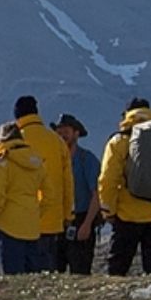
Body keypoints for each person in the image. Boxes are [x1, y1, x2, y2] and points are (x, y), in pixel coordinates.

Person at [97, 96, 151, 275]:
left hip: (128, 215)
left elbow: (108, 180)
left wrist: (108, 211)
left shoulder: (120, 141)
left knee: (117, 269)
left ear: (127, 115)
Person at [12, 95, 72, 266]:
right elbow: (68, 182)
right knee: (47, 272)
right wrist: (68, 214)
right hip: (52, 219)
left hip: (20, 221)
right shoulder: (56, 141)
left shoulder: (14, 141)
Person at [0, 120, 50, 275]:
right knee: (32, 276)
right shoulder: (37, 161)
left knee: (13, 276)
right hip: (32, 224)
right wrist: (38, 212)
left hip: (9, 224)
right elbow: (50, 194)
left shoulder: (3, 161)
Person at [56, 113, 99, 275]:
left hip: (81, 218)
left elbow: (97, 194)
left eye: (66, 131)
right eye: (59, 131)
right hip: (57, 221)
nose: (62, 135)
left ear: (76, 133)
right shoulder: (53, 159)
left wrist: (87, 224)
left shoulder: (87, 160)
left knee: (80, 272)